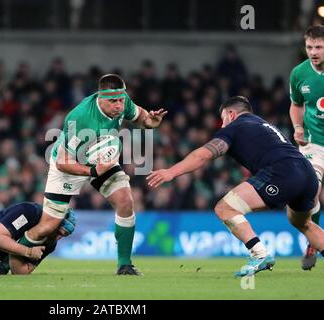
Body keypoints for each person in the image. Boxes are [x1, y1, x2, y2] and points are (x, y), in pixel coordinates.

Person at [147, 96, 324, 277]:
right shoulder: (261, 124)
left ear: (231, 114)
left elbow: (203, 155)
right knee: (304, 223)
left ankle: (259, 254)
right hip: (306, 173)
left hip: (282, 173)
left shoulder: (235, 127)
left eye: (223, 118)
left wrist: (171, 172)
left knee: (225, 208)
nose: (222, 124)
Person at [21, 74, 167, 276]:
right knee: (49, 226)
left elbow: (141, 117)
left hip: (102, 157)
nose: (118, 106)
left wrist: (152, 121)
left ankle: (125, 265)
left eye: (121, 100)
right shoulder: (79, 117)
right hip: (71, 162)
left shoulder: (123, 103)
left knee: (125, 201)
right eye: (113, 101)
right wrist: (91, 171)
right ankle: (7, 258)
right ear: (100, 97)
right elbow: (64, 162)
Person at [289, 24, 324, 270]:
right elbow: (296, 104)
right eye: (310, 47)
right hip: (314, 144)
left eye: (319, 47)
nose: (313, 51)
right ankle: (313, 242)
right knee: (311, 193)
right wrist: (298, 127)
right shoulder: (299, 74)